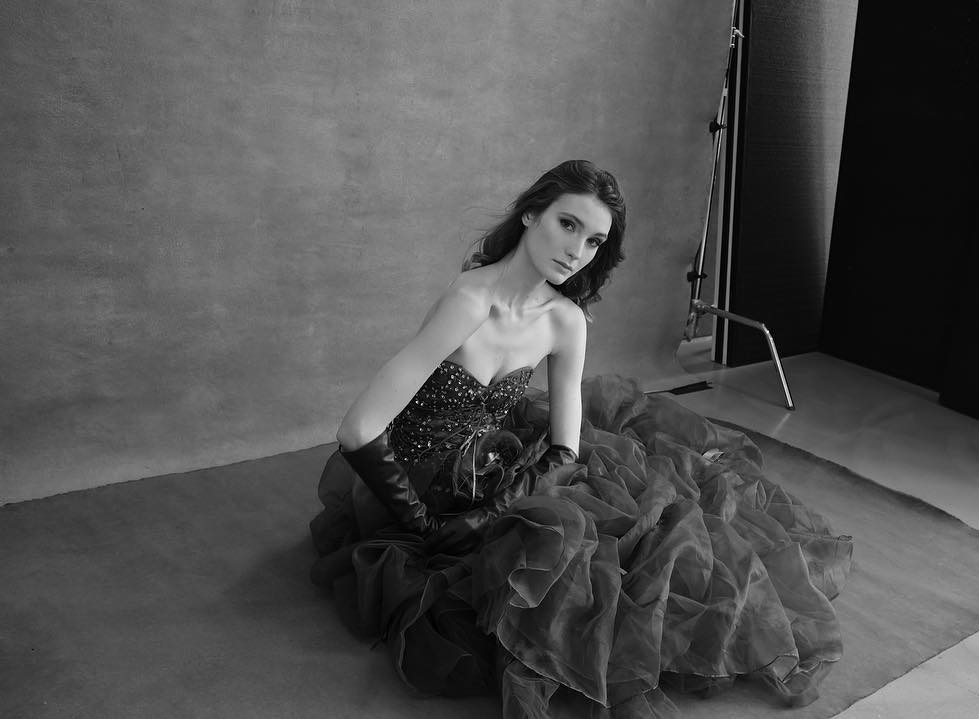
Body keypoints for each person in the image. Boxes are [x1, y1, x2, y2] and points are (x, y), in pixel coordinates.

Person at [309, 160, 852, 718]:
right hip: (417, 485)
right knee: (549, 563)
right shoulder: (470, 302)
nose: (576, 251)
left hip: (497, 472)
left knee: (631, 537)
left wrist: (493, 512)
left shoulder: (564, 320)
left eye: (593, 241)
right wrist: (422, 524)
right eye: (567, 224)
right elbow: (358, 428)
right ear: (530, 215)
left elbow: (565, 447)